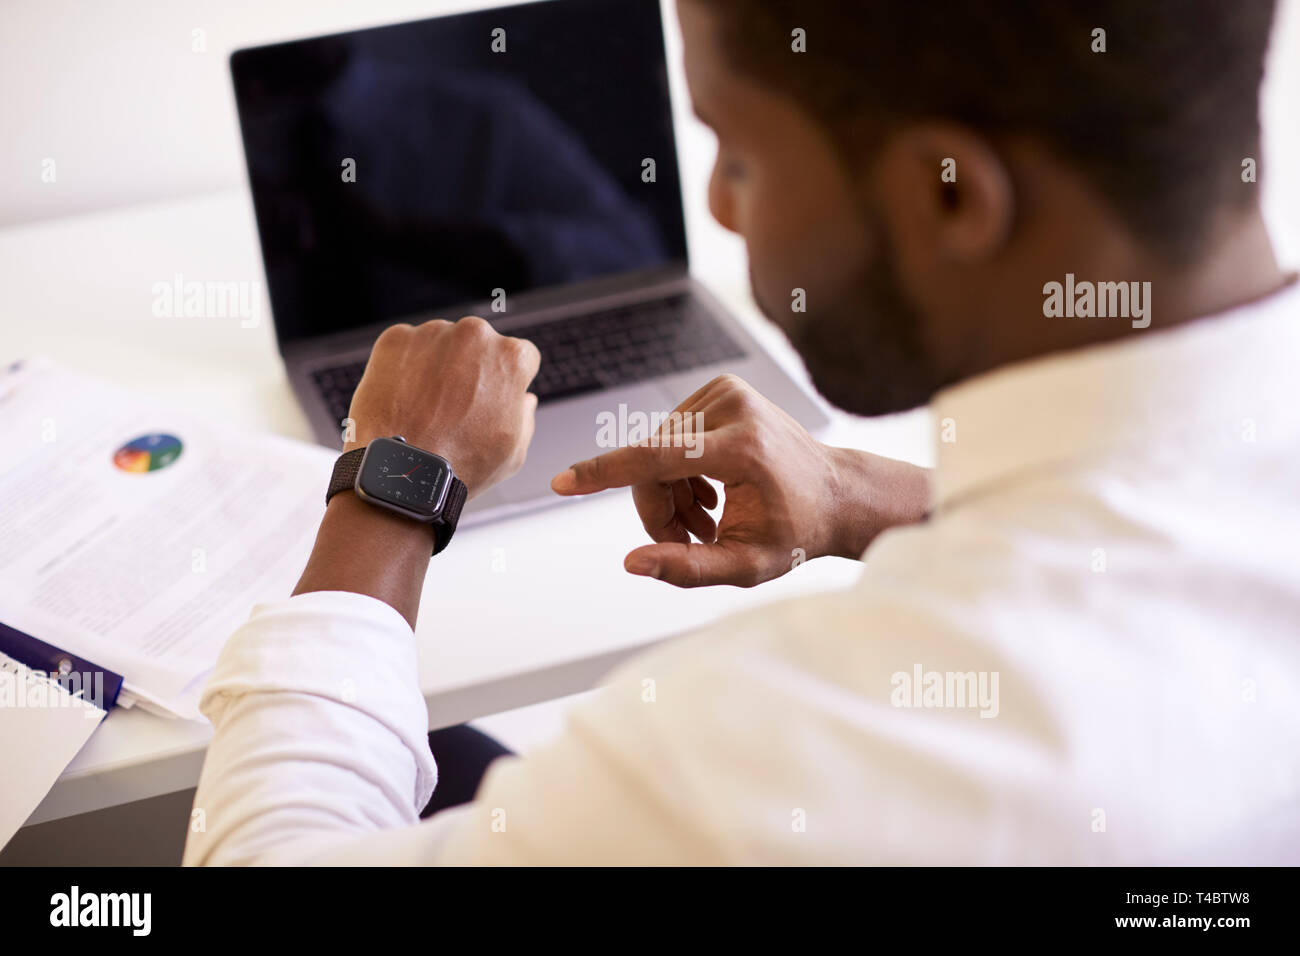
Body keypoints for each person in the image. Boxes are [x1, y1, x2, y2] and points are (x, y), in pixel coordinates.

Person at [183, 0, 1300, 865]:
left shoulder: (793, 751)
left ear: (950, 195)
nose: (716, 202)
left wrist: (395, 479)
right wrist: (882, 499)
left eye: (740, 150)